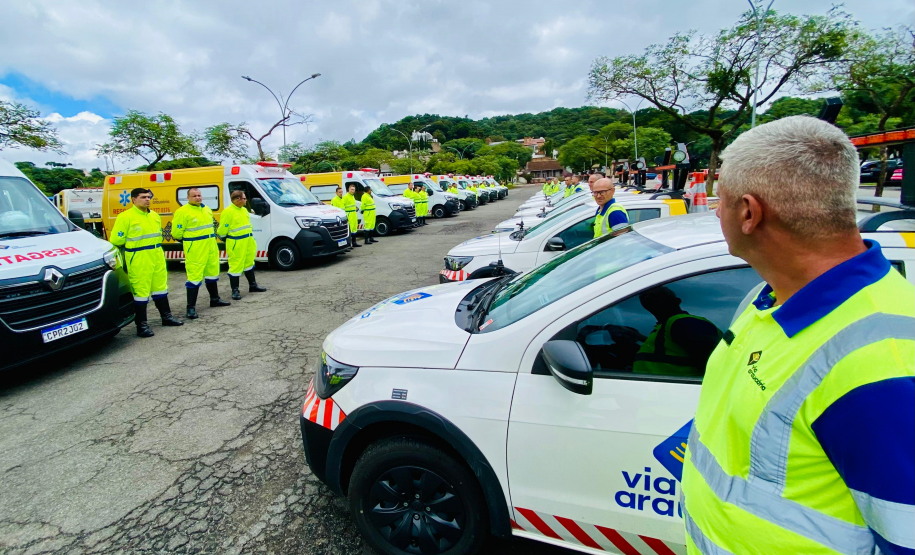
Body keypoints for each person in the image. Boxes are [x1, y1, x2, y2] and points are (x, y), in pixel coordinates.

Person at [681, 116, 914, 555]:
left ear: (749, 212)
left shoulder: (886, 366)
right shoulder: (767, 297)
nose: (715, 211)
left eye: (721, 201)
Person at [109, 188, 183, 337]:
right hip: (139, 257)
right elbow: (116, 240)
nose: (147, 199)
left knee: (160, 287)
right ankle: (142, 326)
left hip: (156, 254)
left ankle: (166, 317)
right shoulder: (125, 217)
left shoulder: (154, 216)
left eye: (148, 197)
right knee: (141, 292)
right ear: (134, 199)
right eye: (143, 197)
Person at [632, 287, 721, 377]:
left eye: (656, 296)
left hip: (677, 387)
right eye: (643, 297)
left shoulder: (682, 322)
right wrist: (639, 337)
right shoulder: (665, 326)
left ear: (676, 301)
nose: (647, 298)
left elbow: (712, 360)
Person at [171, 187, 230, 319]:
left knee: (212, 272)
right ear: (188, 198)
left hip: (210, 246)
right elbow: (176, 233)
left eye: (199, 195)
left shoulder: (206, 209)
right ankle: (190, 308)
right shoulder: (182, 211)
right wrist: (191, 242)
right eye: (194, 196)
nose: (197, 197)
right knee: (194, 276)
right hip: (195, 248)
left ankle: (215, 299)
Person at [217, 190, 267, 299]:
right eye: (244, 198)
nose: (246, 200)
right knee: (235, 266)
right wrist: (231, 240)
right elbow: (222, 231)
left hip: (248, 241)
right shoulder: (228, 212)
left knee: (249, 262)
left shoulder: (244, 210)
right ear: (238, 199)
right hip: (236, 243)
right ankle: (235, 290)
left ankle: (253, 285)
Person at [342, 183, 361, 247]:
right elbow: (343, 206)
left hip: (353, 213)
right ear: (348, 189)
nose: (353, 191)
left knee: (354, 228)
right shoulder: (345, 197)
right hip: (349, 214)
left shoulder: (352, 196)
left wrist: (356, 208)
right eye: (351, 189)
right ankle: (349, 244)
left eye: (354, 190)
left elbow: (352, 205)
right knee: (350, 228)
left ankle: (354, 242)